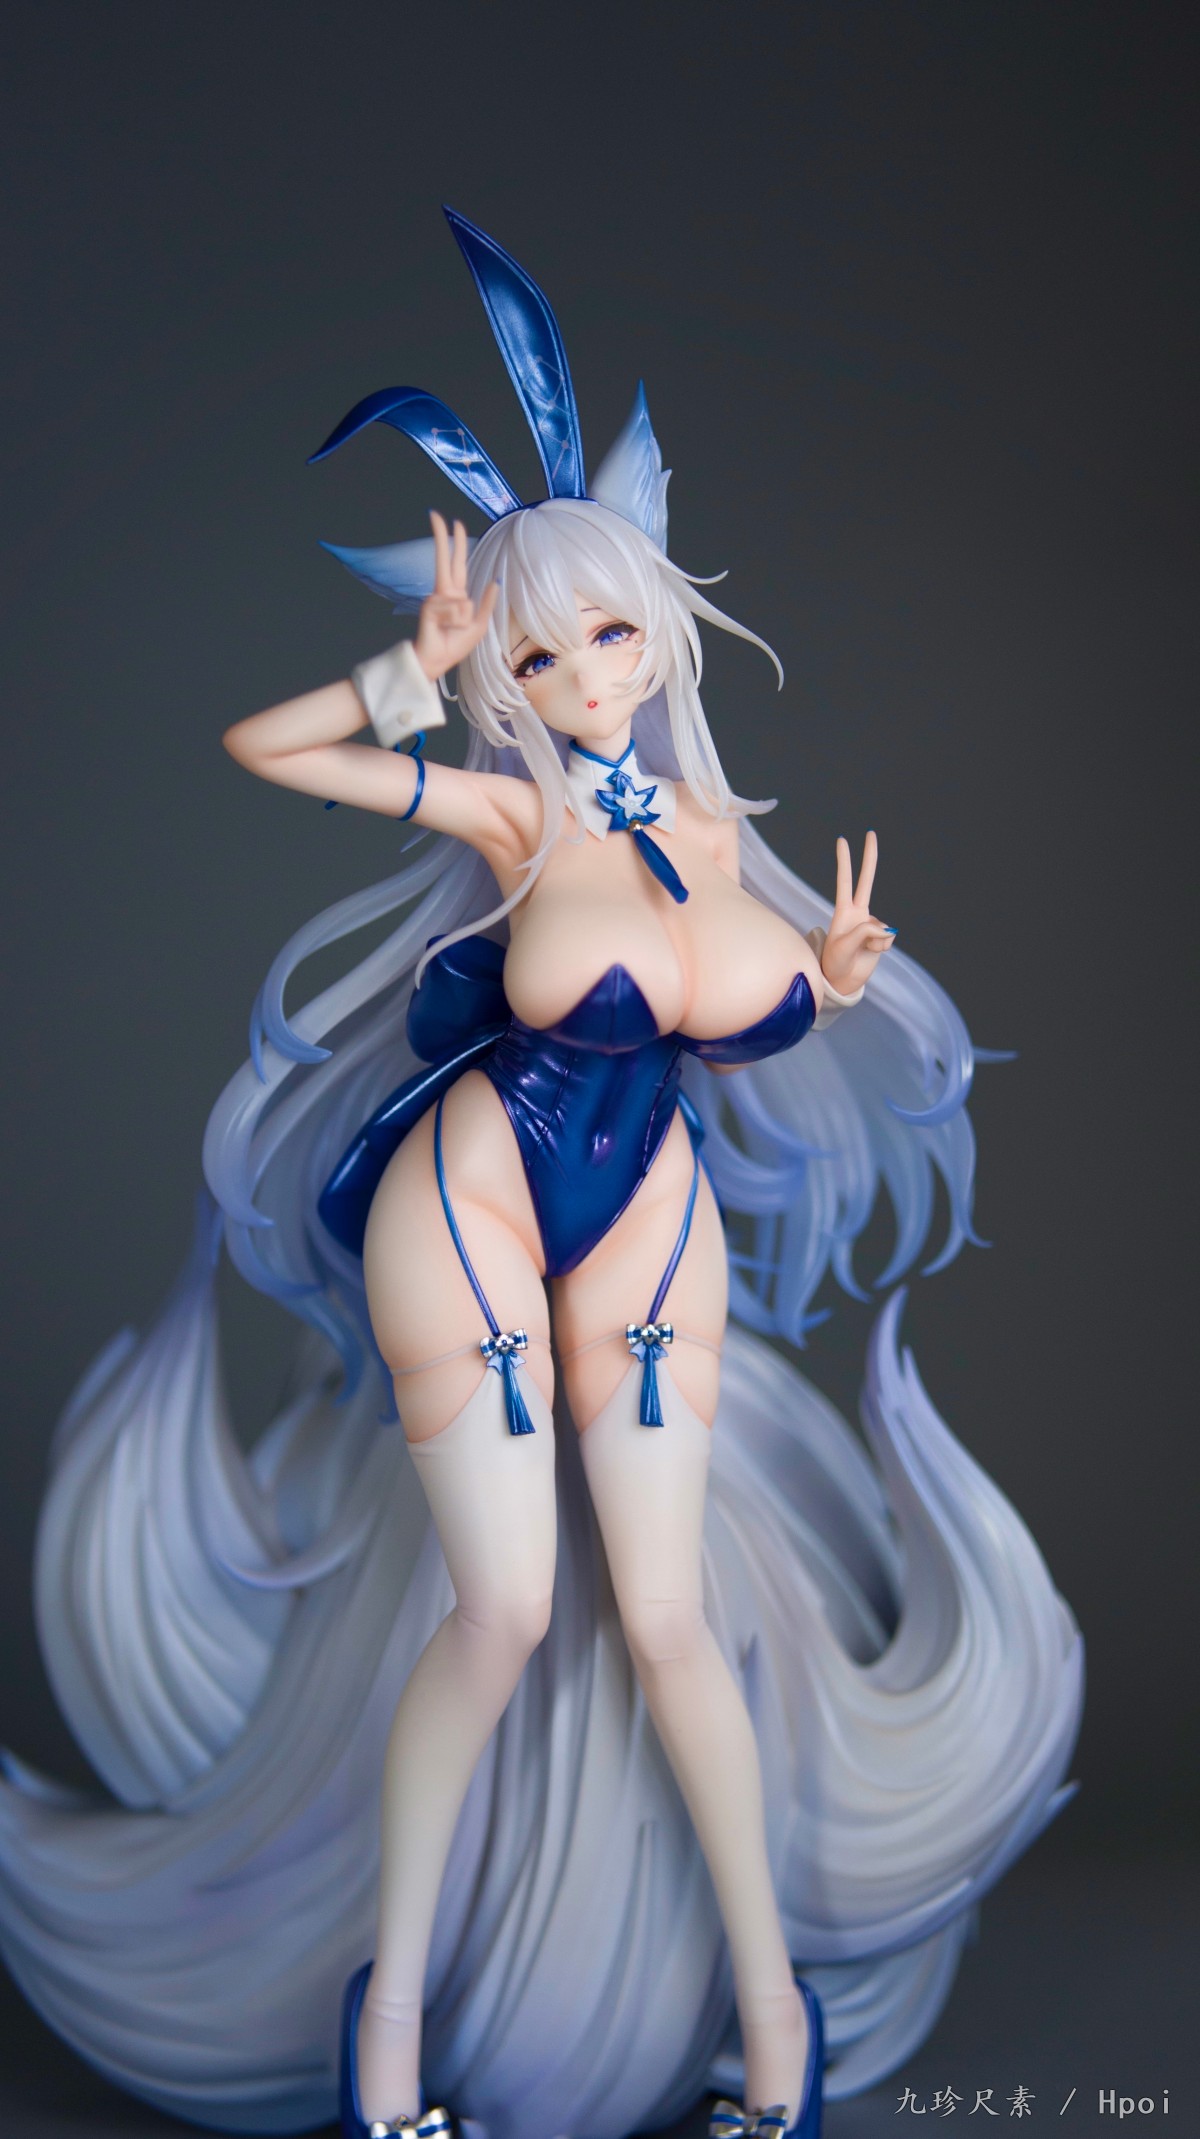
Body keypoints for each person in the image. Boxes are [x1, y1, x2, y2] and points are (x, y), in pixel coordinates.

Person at [0, 213, 1082, 2139]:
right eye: (538, 646)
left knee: (666, 1619)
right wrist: (406, 668)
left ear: (659, 623)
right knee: (498, 1613)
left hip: (645, 1201)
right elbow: (262, 746)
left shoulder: (715, 831)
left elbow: (723, 1023)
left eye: (609, 630)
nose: (584, 671)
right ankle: (395, 2024)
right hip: (478, 1195)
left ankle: (771, 2016)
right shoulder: (511, 809)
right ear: (504, 668)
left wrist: (831, 984)